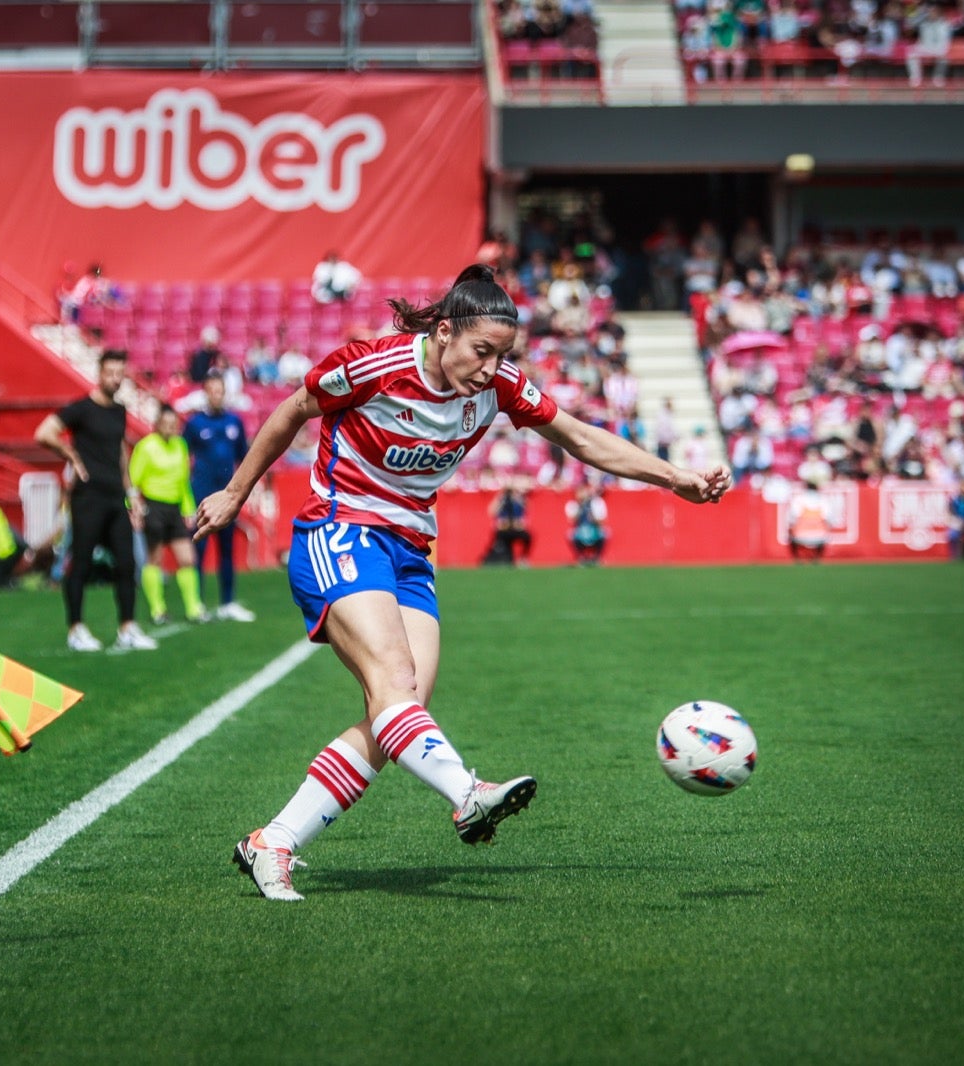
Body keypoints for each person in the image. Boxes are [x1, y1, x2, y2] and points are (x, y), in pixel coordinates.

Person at [194, 265, 731, 902]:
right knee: (396, 687)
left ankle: (273, 842)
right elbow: (292, 410)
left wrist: (676, 478)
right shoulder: (375, 367)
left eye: (503, 354)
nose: (491, 368)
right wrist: (235, 491)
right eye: (482, 351)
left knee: (397, 711)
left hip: (410, 553)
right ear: (444, 331)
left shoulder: (498, 385)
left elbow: (581, 438)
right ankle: (468, 794)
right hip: (339, 530)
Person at [34, 349, 156, 652]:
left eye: (119, 374)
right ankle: (76, 629)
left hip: (116, 497)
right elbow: (44, 433)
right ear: (99, 373)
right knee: (81, 563)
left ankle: (127, 626)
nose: (115, 379)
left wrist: (131, 495)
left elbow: (120, 454)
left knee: (127, 563)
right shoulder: (81, 409)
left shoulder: (119, 411)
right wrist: (70, 455)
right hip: (87, 497)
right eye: (110, 373)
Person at [184, 372, 256, 622]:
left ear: (225, 393)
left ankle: (228, 602)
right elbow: (184, 457)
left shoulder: (235, 422)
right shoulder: (194, 424)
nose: (216, 395)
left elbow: (244, 458)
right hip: (201, 496)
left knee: (227, 549)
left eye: (220, 390)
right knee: (199, 549)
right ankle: (197, 603)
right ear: (205, 392)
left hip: (226, 497)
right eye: (212, 390)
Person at [129, 405, 208, 626]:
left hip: (174, 508)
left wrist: (188, 508)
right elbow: (133, 481)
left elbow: (184, 482)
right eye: (166, 424)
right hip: (153, 507)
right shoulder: (145, 447)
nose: (170, 428)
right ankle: (157, 609)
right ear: (157, 424)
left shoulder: (180, 446)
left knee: (187, 558)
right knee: (154, 559)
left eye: (174, 425)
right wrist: (132, 507)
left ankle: (194, 608)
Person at [484, 475, 534, 565]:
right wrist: (501, 496)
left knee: (527, 537)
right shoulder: (502, 499)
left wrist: (517, 496)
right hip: (503, 529)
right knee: (502, 547)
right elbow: (492, 511)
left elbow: (526, 510)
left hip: (516, 528)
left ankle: (523, 558)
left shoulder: (519, 499)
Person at [566, 482, 609, 565]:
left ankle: (597, 558)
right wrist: (581, 506)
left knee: (605, 533)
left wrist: (593, 517)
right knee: (570, 534)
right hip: (580, 531)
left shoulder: (597, 503)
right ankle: (580, 558)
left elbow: (602, 521)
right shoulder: (572, 504)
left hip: (594, 530)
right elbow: (572, 520)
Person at [786, 479, 830, 562]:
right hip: (820, 534)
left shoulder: (799, 499)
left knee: (791, 537)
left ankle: (797, 558)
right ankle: (817, 558)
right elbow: (827, 517)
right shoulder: (823, 499)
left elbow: (793, 516)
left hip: (800, 534)